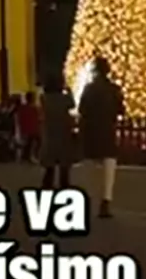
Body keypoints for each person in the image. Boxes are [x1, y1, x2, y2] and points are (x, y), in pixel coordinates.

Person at [78, 56, 123, 218]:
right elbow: (120, 109)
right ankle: (106, 199)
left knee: (90, 165)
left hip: (91, 130)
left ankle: (89, 198)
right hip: (107, 129)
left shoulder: (89, 89)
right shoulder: (114, 89)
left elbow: (82, 109)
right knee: (109, 165)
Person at [39, 72, 76, 188]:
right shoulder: (64, 98)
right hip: (63, 130)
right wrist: (69, 91)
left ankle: (47, 183)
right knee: (64, 161)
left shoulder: (44, 98)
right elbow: (72, 104)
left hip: (50, 131)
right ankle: (64, 183)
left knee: (50, 161)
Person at [17, 90, 41, 163]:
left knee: (29, 143)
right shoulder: (34, 108)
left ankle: (25, 156)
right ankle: (32, 156)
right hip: (33, 128)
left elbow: (20, 118)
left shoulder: (23, 108)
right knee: (35, 142)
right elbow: (38, 118)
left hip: (26, 128)